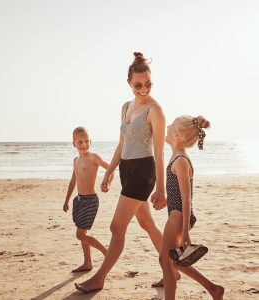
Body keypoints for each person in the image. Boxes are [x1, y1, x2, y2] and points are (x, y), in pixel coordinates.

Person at [75, 52, 177, 293]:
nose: (144, 89)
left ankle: (99, 278)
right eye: (138, 85)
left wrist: (161, 190)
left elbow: (161, 153)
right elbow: (122, 144)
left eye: (148, 84)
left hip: (144, 172)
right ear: (129, 82)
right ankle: (171, 270)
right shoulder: (125, 107)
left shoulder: (156, 110)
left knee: (116, 227)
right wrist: (109, 171)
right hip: (126, 170)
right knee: (147, 224)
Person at [159, 115, 224, 300]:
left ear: (178, 134)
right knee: (175, 262)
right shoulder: (176, 157)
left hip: (179, 216)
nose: (168, 126)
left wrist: (185, 231)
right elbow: (176, 192)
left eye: (171, 125)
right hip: (176, 214)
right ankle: (213, 289)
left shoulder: (181, 161)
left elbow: (187, 199)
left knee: (165, 261)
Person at [63, 126, 113, 272]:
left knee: (79, 234)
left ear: (90, 141)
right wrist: (66, 200)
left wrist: (107, 183)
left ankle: (107, 253)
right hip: (79, 200)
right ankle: (88, 263)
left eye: (86, 141)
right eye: (80, 142)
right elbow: (73, 181)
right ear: (74, 144)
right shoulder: (76, 160)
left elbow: (111, 170)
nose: (84, 145)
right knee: (83, 234)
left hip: (91, 200)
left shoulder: (94, 157)